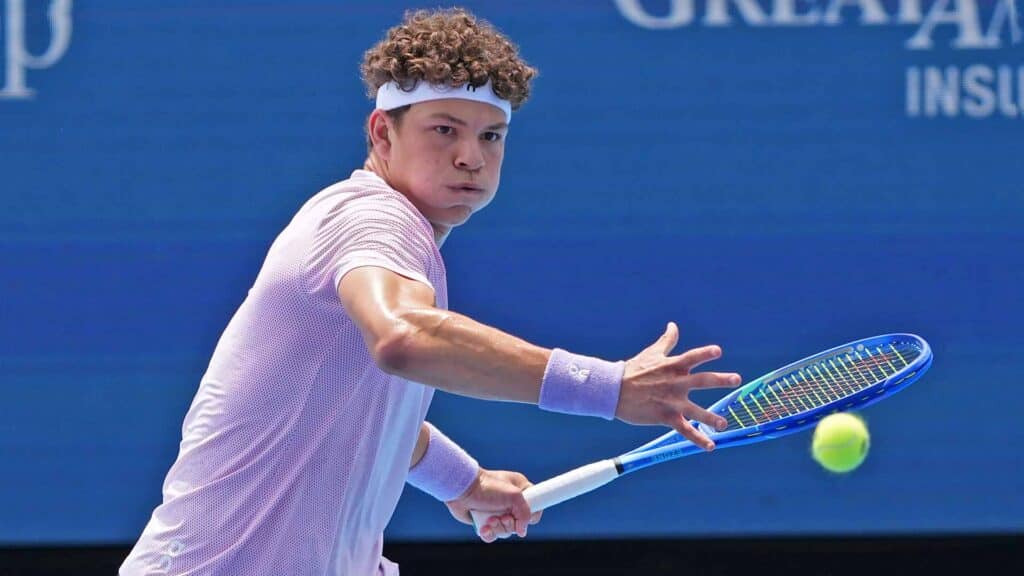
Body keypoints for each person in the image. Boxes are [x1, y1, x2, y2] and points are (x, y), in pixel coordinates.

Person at [120, 7, 740, 575]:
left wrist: (463, 482)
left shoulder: (386, 233)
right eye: (444, 129)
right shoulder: (372, 218)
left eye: (491, 135)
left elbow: (351, 406)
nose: (471, 156)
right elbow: (404, 338)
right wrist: (606, 388)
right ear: (382, 134)